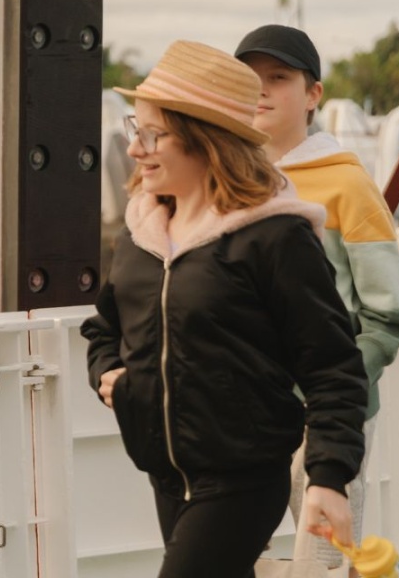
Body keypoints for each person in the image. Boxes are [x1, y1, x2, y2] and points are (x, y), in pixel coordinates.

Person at [82, 40, 369, 578]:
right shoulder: (140, 234)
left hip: (243, 480)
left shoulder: (275, 237)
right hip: (167, 475)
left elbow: (334, 366)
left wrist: (329, 477)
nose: (136, 149)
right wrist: (113, 375)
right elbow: (104, 329)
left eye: (152, 134)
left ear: (205, 140)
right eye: (133, 129)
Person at [236, 24, 399, 574]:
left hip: (328, 421)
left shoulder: (347, 185)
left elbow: (390, 317)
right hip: (247, 414)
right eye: (250, 78)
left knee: (324, 563)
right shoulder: (230, 182)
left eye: (279, 77)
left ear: (313, 94)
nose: (263, 89)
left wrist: (333, 388)